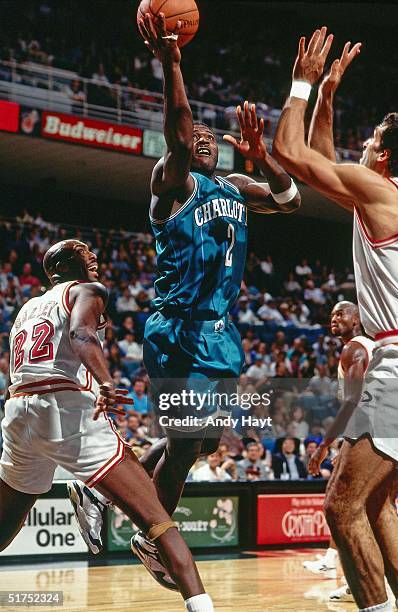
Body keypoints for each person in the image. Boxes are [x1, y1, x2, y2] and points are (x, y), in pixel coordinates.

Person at [68, 10, 301, 592]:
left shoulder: (235, 187)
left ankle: (100, 488)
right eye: (191, 136)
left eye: (208, 138)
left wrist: (261, 154)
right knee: (183, 441)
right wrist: (172, 59)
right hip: (176, 327)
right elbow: (177, 123)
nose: (200, 139)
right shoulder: (173, 185)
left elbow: (290, 199)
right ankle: (152, 533)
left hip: (221, 332)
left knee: (196, 444)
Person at [0, 239, 214, 612]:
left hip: (18, 411)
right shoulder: (88, 290)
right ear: (62, 266)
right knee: (158, 521)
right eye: (83, 252)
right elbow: (81, 334)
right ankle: (202, 605)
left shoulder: (27, 308)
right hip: (65, 408)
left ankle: (95, 495)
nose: (93, 255)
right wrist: (105, 381)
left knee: (2, 528)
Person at [272, 28, 398, 609]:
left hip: (395, 364)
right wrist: (328, 95)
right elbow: (325, 160)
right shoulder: (381, 194)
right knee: (376, 506)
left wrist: (301, 83)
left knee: (340, 506)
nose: (363, 147)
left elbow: (294, 156)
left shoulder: (380, 191)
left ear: (386, 156)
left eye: (371, 141)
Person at [303, 302, 374, 603]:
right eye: (331, 314)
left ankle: (340, 564)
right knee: (369, 510)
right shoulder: (370, 347)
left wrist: (323, 447)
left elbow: (353, 403)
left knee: (340, 504)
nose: (334, 318)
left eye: (341, 314)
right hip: (376, 431)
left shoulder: (355, 349)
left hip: (372, 433)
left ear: (357, 320)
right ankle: (355, 578)